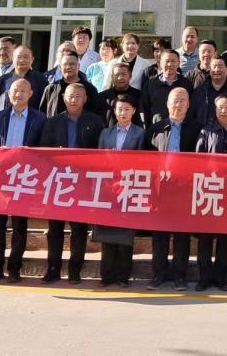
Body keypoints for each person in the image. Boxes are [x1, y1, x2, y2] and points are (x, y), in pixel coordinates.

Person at [39, 83, 104, 284]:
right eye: (70, 96)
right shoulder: (53, 122)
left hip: (83, 182)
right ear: (63, 99)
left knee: (79, 229)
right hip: (58, 181)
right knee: (55, 229)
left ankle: (75, 270)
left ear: (85, 99)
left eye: (78, 96)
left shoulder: (95, 122)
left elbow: (100, 151)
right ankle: (53, 268)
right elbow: (43, 150)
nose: (73, 100)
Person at [0, 78, 46, 283]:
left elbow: (44, 148)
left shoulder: (40, 119)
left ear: (30, 94)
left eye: (22, 91)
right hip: (1, 177)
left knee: (20, 227)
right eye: (14, 91)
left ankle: (14, 268)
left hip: (24, 178)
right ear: (8, 94)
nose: (18, 94)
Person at [146, 87, 200, 291]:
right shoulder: (155, 129)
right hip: (160, 188)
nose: (178, 104)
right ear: (167, 104)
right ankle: (159, 274)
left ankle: (179, 275)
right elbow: (145, 159)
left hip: (185, 188)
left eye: (182, 100)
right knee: (159, 234)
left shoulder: (197, 129)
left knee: (181, 235)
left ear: (188, 104)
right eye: (175, 100)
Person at [195, 95, 227, 292]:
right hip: (209, 188)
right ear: (215, 110)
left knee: (225, 237)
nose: (224, 110)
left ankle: (222, 277)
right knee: (205, 236)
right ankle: (204, 277)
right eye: (220, 107)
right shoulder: (206, 131)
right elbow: (198, 160)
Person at [95, 95, 145, 287]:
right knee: (107, 234)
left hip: (129, 187)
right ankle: (106, 275)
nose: (122, 113)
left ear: (133, 111)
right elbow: (98, 159)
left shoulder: (140, 133)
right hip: (108, 188)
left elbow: (142, 161)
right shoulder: (105, 133)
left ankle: (123, 276)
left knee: (125, 235)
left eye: (126, 109)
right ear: (114, 111)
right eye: (119, 109)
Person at [141, 48, 193, 125]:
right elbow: (144, 109)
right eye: (167, 61)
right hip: (157, 128)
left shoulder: (186, 84)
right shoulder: (150, 84)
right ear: (160, 63)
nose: (170, 64)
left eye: (173, 61)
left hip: (181, 127)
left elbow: (191, 108)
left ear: (178, 63)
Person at [41, 49, 98, 118]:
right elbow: (42, 114)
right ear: (60, 67)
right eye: (65, 64)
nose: (68, 67)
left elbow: (95, 115)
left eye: (72, 64)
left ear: (78, 66)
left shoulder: (90, 89)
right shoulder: (51, 89)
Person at [0, 45, 47, 113]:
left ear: (32, 59)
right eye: (18, 57)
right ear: (13, 58)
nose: (22, 60)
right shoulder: (2, 80)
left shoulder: (41, 79)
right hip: (7, 118)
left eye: (25, 57)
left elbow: (45, 104)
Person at [190, 56, 227, 127]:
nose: (217, 70)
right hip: (202, 132)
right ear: (209, 70)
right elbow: (192, 114)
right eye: (214, 67)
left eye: (220, 66)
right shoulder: (200, 90)